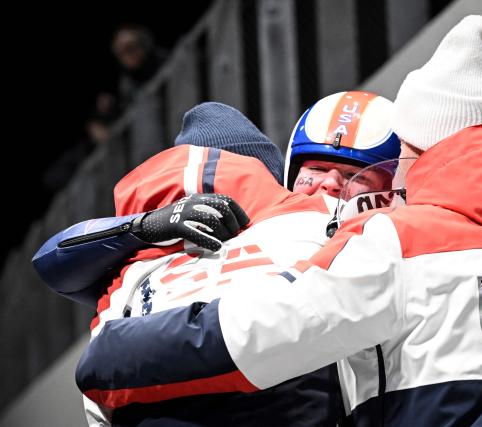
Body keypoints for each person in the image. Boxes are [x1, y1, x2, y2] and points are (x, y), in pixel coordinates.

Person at [75, 15, 482, 425]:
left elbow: (249, 336)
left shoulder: (400, 243)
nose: (329, 190)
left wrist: (113, 352)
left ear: (422, 146)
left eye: (367, 174)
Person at [34, 92, 400, 426]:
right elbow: (53, 267)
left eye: (356, 176)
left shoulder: (351, 235)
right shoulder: (156, 247)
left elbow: (98, 354)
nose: (331, 183)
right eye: (316, 170)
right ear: (284, 175)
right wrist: (144, 227)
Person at [111, 24, 167, 110]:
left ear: (143, 44)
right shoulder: (127, 84)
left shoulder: (164, 61)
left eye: (130, 47)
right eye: (122, 52)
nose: (128, 55)